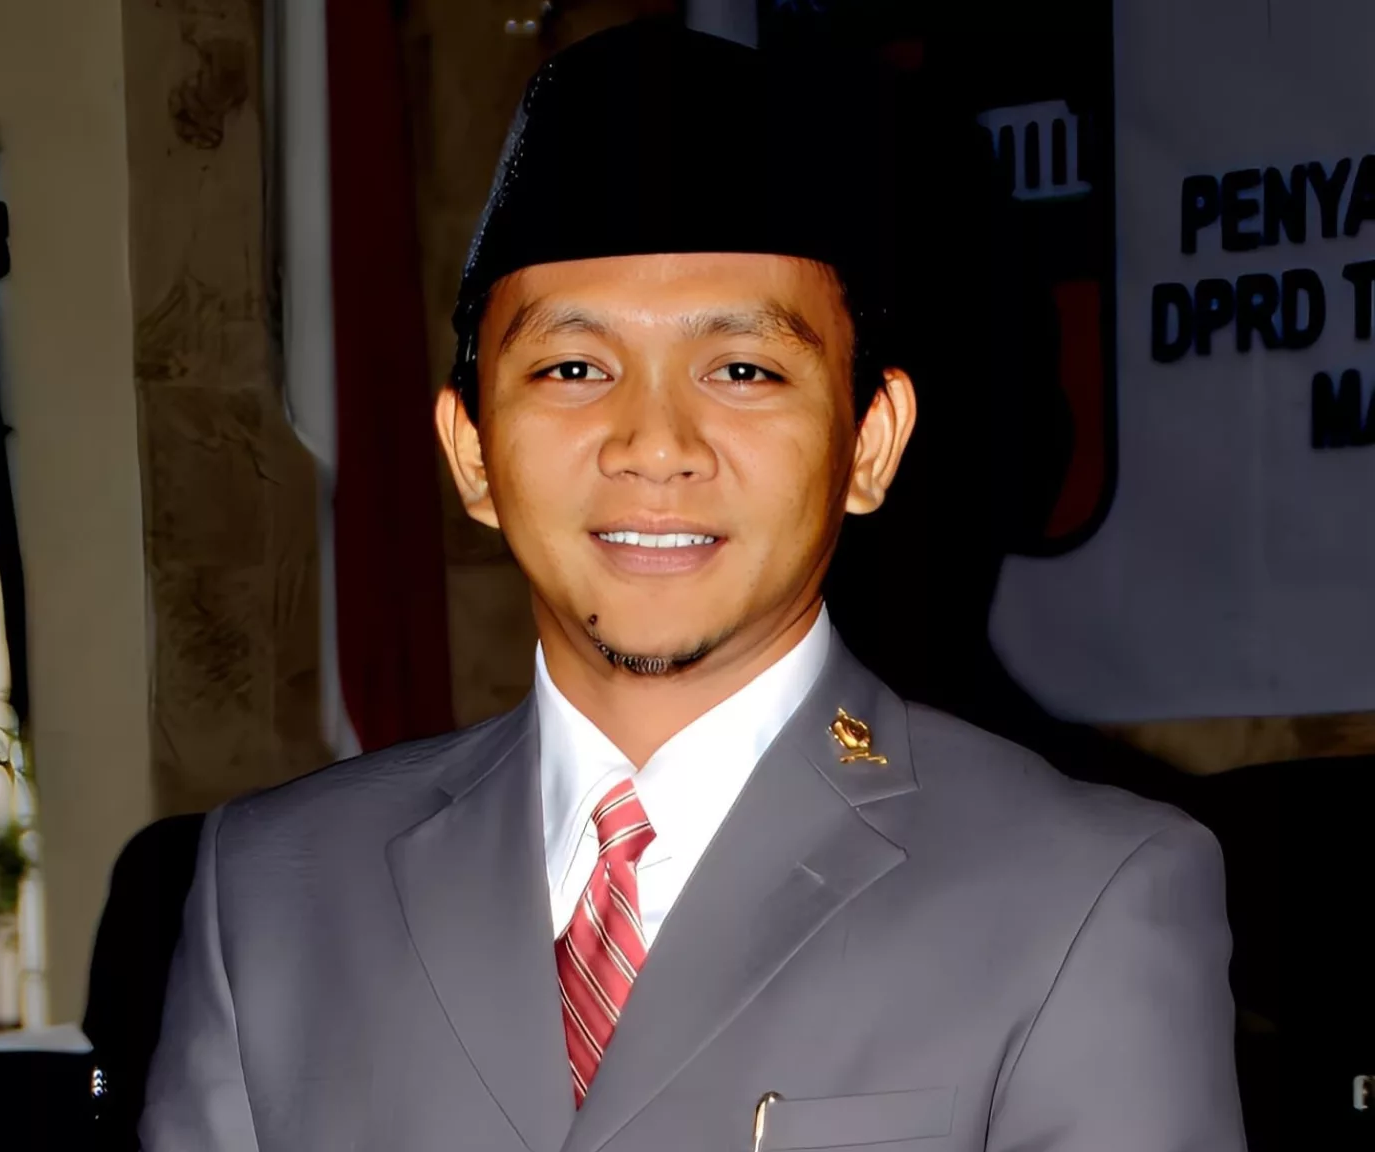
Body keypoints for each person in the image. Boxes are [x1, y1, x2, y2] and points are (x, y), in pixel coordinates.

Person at [140, 20, 1247, 1152]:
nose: (655, 445)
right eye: (575, 368)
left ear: (869, 444)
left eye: (743, 369)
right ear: (471, 452)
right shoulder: (272, 893)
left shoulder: (1081, 895)